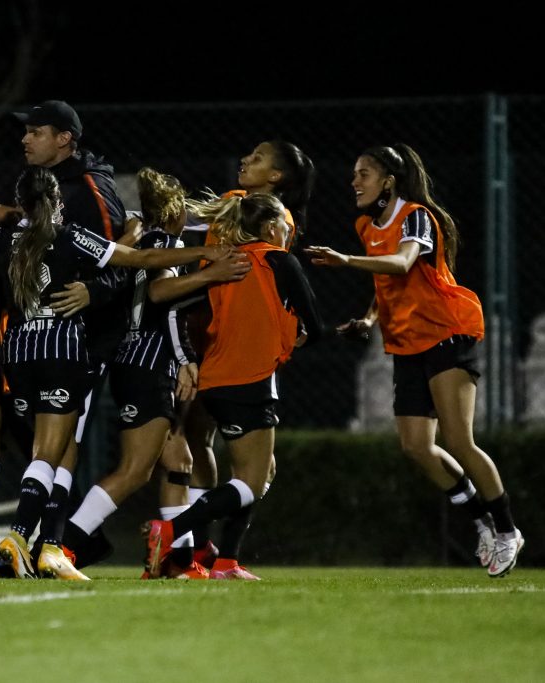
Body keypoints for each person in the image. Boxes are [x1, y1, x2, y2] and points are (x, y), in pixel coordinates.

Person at [0, 165, 232, 579]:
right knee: (51, 452)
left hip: (17, 353)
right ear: (57, 201)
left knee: (50, 450)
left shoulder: (0, 240)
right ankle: (18, 537)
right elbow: (139, 259)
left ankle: (51, 546)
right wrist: (202, 253)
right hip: (60, 351)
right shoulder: (67, 235)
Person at [305, 144, 523, 577]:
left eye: (364, 173)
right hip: (408, 342)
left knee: (459, 441)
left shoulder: (416, 214)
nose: (354, 181)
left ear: (388, 180)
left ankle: (507, 530)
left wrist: (346, 260)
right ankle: (480, 521)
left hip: (446, 331)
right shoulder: (367, 225)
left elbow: (403, 264)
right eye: (354, 173)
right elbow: (384, 285)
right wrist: (369, 318)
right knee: (416, 447)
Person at [59, 167, 247, 579]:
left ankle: (175, 560)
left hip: (141, 363)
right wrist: (211, 275)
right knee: (134, 471)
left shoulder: (152, 240)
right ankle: (65, 546)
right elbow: (162, 295)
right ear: (176, 210)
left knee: (178, 458)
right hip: (146, 366)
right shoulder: (162, 242)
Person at [149, 140, 315, 579]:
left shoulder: (247, 209)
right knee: (237, 464)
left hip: (210, 340)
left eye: (258, 158)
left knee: (225, 455)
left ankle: (211, 554)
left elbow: (182, 221)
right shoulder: (257, 215)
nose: (245, 159)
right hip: (218, 345)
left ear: (276, 177)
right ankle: (194, 545)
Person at [13, 100, 132, 559]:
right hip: (41, 336)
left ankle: (49, 545)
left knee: (64, 439)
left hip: (85, 337)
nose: (26, 139)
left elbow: (124, 256)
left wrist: (94, 291)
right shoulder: (43, 186)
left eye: (37, 131)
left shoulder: (89, 187)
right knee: (51, 441)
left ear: (65, 138)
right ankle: (48, 544)